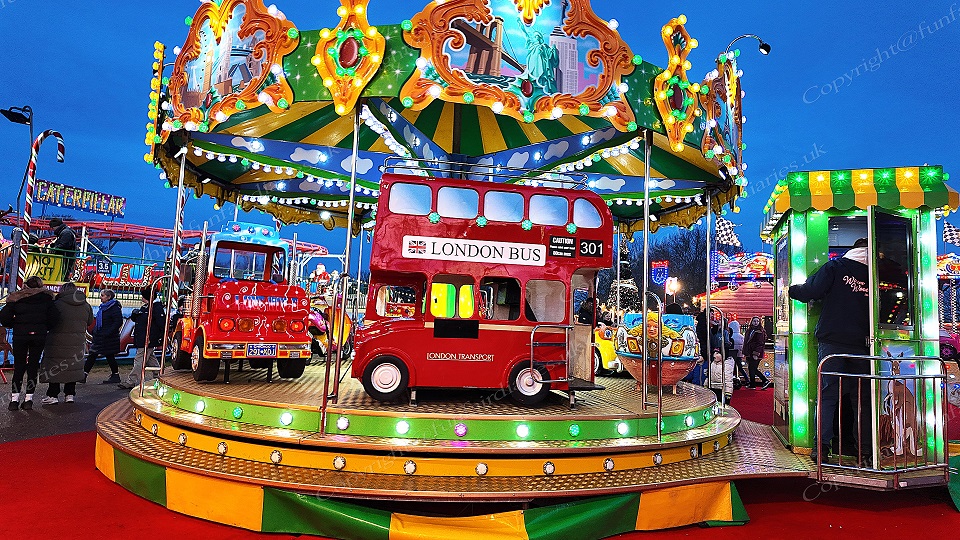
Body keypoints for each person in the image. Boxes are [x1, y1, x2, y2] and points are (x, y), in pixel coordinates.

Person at [789, 237, 871, 463]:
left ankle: (822, 449)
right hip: (864, 344)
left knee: (828, 395)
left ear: (852, 250)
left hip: (833, 341)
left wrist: (791, 290)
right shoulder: (875, 273)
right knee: (862, 399)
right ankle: (864, 451)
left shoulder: (835, 267)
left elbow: (810, 291)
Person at [0, 276, 59, 410]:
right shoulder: (47, 298)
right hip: (39, 335)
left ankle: (14, 400)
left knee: (19, 366)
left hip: (20, 335)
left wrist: (14, 324)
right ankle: (28, 399)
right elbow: (55, 317)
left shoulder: (16, 298)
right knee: (33, 366)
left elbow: (4, 316)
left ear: (26, 285)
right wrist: (44, 327)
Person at [40, 282, 94, 404]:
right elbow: (90, 321)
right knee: (72, 367)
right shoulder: (85, 305)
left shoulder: (57, 304)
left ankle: (53, 395)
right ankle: (69, 394)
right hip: (77, 341)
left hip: (56, 341)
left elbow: (49, 321)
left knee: (55, 366)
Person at [119, 287, 166, 389]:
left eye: (143, 297)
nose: (141, 298)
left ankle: (131, 381)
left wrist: (157, 337)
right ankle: (159, 375)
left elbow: (161, 324)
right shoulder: (145, 307)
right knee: (150, 358)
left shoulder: (156, 308)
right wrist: (134, 315)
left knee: (139, 360)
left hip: (148, 338)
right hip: (142, 337)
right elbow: (138, 320)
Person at [83, 289, 122, 384]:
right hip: (101, 335)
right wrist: (95, 330)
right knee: (101, 354)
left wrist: (108, 332)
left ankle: (84, 375)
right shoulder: (103, 307)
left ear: (109, 297)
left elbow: (118, 322)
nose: (100, 297)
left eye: (102, 295)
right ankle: (115, 375)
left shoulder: (114, 308)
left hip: (108, 337)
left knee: (101, 354)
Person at [742, 316, 770, 389]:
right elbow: (746, 342)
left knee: (753, 368)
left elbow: (760, 344)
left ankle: (764, 380)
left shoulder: (760, 331)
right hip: (749, 352)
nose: (756, 323)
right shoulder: (749, 330)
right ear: (751, 322)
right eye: (754, 321)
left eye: (757, 321)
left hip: (755, 353)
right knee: (751, 368)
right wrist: (745, 352)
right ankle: (753, 384)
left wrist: (756, 353)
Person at [48, 217, 78, 282]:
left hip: (65, 259)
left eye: (52, 227)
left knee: (63, 275)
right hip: (66, 258)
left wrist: (54, 249)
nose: (52, 230)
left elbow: (63, 245)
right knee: (63, 275)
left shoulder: (66, 233)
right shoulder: (66, 232)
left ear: (56, 226)